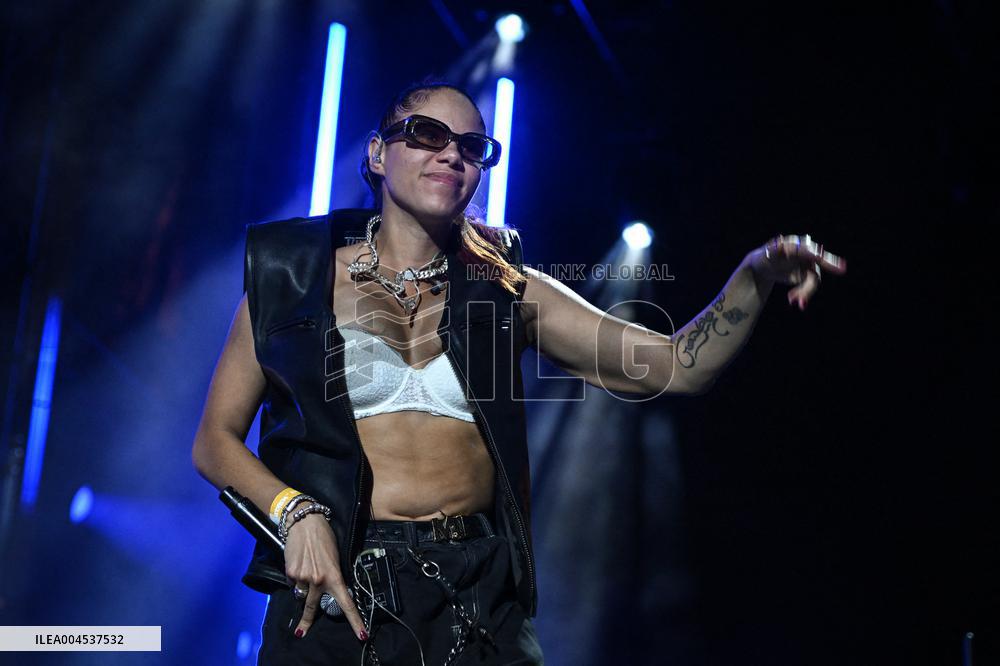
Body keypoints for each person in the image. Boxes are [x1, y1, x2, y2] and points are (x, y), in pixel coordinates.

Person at [192, 79, 846, 665]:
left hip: (476, 602)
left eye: (473, 147)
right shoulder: (291, 279)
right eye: (428, 134)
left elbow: (674, 367)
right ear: (375, 154)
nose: (452, 154)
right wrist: (293, 509)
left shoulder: (508, 291)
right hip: (339, 595)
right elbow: (215, 440)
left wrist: (753, 279)